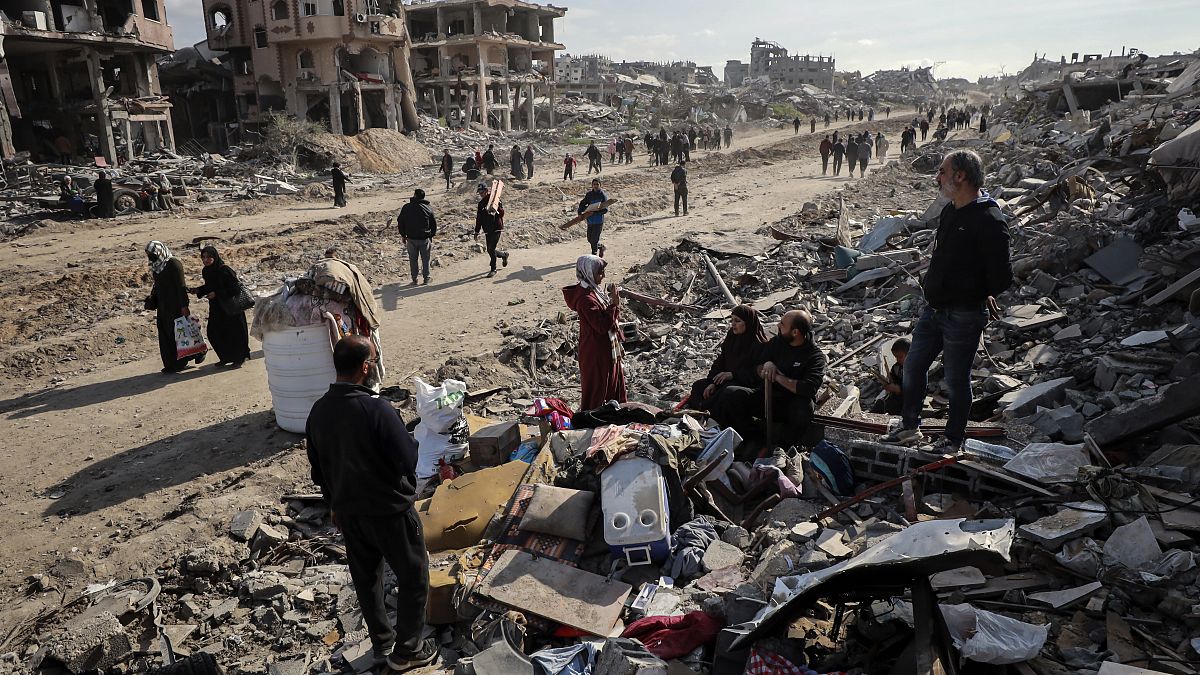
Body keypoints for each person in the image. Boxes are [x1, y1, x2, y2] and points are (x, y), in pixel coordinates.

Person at [305, 336, 437, 673]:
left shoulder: (318, 411)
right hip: (389, 513)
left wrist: (333, 503)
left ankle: (381, 644)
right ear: (365, 367)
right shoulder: (377, 409)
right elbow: (407, 460)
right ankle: (407, 651)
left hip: (349, 514)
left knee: (367, 580)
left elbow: (318, 469)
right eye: (373, 359)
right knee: (414, 576)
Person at [879, 150, 1012, 452]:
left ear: (960, 176)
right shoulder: (951, 210)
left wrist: (976, 294)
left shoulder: (988, 219)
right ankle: (910, 427)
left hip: (963, 315)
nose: (937, 178)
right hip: (934, 310)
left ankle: (953, 440)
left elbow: (1002, 276)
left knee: (955, 380)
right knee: (913, 366)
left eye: (942, 171)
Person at [709, 309, 827, 448]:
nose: (778, 326)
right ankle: (753, 437)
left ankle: (785, 446)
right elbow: (756, 368)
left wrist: (777, 377)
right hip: (767, 396)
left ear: (795, 332)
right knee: (730, 394)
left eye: (782, 325)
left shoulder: (815, 357)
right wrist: (766, 365)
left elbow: (808, 387)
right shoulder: (777, 342)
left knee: (804, 408)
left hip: (791, 404)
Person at [562, 255, 626, 411]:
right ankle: (596, 422)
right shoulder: (585, 299)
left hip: (605, 349)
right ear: (588, 273)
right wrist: (614, 306)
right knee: (598, 390)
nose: (603, 276)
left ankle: (614, 415)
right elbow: (601, 326)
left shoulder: (593, 290)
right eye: (600, 273)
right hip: (595, 352)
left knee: (611, 384)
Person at [687, 305, 769, 410]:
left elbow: (756, 374)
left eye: (738, 321)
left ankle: (705, 411)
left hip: (742, 384)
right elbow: (721, 361)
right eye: (732, 320)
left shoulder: (759, 345)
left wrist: (733, 375)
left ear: (748, 323)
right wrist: (713, 382)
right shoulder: (732, 337)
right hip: (724, 380)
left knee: (726, 392)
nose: (733, 324)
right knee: (699, 386)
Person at [144, 241, 202, 373]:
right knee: (166, 334)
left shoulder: (174, 264)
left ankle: (193, 355)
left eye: (152, 254)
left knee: (179, 333)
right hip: (163, 306)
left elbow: (180, 287)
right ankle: (172, 364)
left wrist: (184, 306)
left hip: (175, 306)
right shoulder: (156, 265)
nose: (150, 257)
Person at [191, 245, 251, 367]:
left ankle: (240, 358)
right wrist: (198, 290)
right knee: (214, 332)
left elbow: (234, 289)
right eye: (203, 257)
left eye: (208, 257)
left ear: (215, 256)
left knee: (235, 332)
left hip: (231, 308)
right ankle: (225, 357)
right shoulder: (206, 271)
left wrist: (217, 294)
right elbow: (210, 286)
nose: (205, 260)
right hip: (217, 308)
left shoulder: (225, 270)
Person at [397, 189, 437, 285]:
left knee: (413, 259)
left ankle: (414, 279)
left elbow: (400, 222)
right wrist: (431, 235)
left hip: (411, 238)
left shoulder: (406, 207)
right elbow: (433, 224)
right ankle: (426, 278)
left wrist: (403, 235)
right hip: (424, 238)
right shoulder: (428, 208)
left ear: (414, 195)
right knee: (426, 259)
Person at [474, 182, 509, 278]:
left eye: (482, 192)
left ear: (487, 191)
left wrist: (497, 207)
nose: (481, 194)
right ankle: (503, 255)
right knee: (490, 250)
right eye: (480, 193)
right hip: (487, 229)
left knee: (491, 248)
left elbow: (502, 214)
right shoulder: (480, 204)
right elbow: (479, 219)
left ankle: (493, 269)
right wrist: (476, 231)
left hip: (496, 228)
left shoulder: (495, 200)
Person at [578, 178, 609, 257]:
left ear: (600, 185)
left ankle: (594, 255)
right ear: (592, 185)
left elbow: (605, 209)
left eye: (597, 184)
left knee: (594, 240)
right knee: (589, 239)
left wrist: (596, 212)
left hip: (598, 221)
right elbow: (582, 204)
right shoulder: (589, 195)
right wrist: (580, 212)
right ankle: (601, 247)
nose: (595, 186)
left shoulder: (602, 195)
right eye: (594, 184)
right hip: (590, 221)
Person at [881, 338, 909, 414]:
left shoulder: (916, 370)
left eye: (900, 357)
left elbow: (917, 390)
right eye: (896, 357)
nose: (897, 360)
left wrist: (900, 390)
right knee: (880, 404)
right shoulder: (896, 368)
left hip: (909, 402)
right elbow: (893, 378)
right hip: (896, 397)